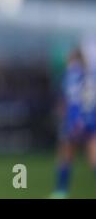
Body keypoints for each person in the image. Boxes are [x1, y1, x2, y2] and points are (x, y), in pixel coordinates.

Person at [51, 48, 96, 198]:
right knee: (92, 158)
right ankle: (61, 191)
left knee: (65, 156)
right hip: (90, 121)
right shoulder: (89, 75)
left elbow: (69, 101)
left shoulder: (72, 74)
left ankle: (61, 191)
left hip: (74, 121)